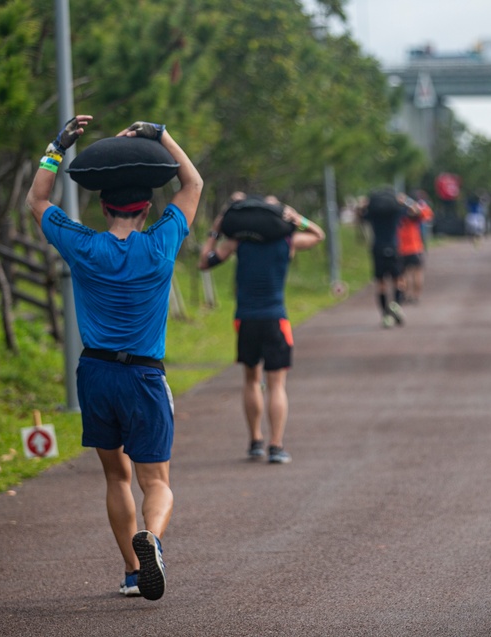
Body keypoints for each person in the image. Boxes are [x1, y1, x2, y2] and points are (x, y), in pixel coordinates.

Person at [26, 116, 203, 602]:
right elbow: (193, 182)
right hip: (145, 376)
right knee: (156, 481)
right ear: (148, 207)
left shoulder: (83, 246)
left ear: (103, 206)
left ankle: (131, 570)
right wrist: (160, 133)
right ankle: (154, 540)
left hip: (96, 374)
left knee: (116, 475)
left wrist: (56, 146)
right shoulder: (162, 244)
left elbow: (37, 201)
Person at [198, 193, 325, 464]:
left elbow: (204, 261)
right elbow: (318, 235)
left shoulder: (237, 241)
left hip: (245, 319)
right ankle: (276, 446)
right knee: (277, 385)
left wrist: (216, 229)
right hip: (275, 319)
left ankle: (255, 441)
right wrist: (298, 218)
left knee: (252, 380)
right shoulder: (287, 242)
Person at [359, 187, 420, 328]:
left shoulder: (373, 213)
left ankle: (385, 315)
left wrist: (365, 204)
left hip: (377, 248)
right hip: (394, 247)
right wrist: (405, 201)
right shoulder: (396, 212)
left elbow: (361, 215)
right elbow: (415, 211)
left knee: (380, 283)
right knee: (399, 279)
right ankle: (396, 305)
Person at [398, 192, 433, 304]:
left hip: (401, 248)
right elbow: (427, 214)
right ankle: (415, 296)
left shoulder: (398, 213)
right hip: (415, 248)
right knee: (417, 273)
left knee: (403, 274)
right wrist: (410, 202)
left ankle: (404, 295)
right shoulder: (414, 213)